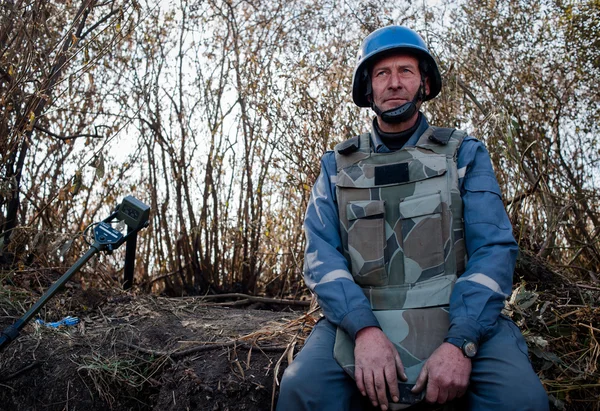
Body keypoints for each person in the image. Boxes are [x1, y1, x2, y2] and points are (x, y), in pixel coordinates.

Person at [277, 25, 549, 411]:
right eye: (382, 74)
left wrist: (461, 342)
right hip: (361, 317)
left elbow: (494, 249)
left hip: (458, 313)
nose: (394, 83)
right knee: (302, 389)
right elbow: (321, 258)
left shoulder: (463, 154)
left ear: (424, 83)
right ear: (368, 89)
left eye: (405, 71)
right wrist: (363, 330)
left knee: (520, 400)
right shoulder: (336, 166)